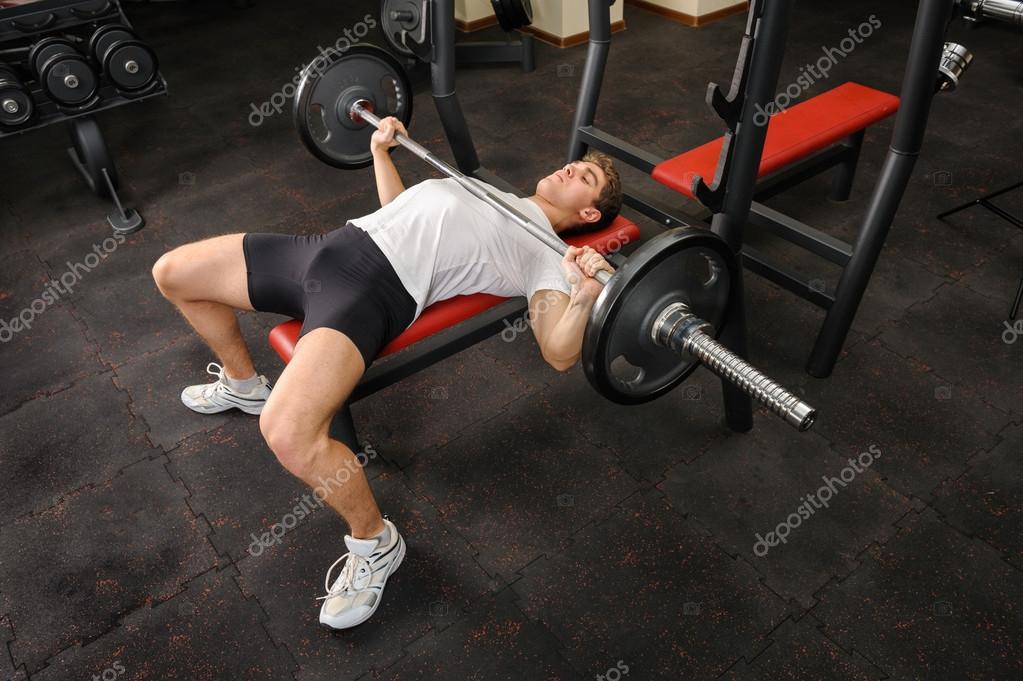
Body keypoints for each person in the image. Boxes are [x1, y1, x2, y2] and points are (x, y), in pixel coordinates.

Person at [151, 117, 624, 630]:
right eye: (576, 163)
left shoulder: (546, 254)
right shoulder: (486, 189)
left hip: (368, 293)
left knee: (288, 432)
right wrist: (381, 153)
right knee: (173, 273)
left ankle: (376, 543)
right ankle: (244, 386)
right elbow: (399, 212)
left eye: (586, 177)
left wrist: (584, 297)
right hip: (325, 249)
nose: (572, 166)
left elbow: (558, 352)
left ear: (589, 211)